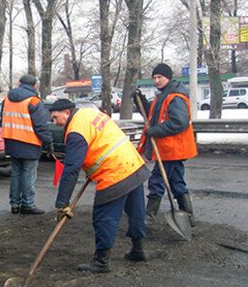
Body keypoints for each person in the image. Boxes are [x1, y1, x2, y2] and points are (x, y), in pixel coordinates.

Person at [49, 98, 151, 273]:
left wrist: (62, 203)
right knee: (136, 211)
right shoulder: (89, 113)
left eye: (55, 117)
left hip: (115, 172)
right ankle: (138, 249)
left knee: (104, 217)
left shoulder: (75, 131)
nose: (55, 123)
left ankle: (101, 261)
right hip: (133, 164)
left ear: (67, 112)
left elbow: (71, 169)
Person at [136, 63, 198, 226]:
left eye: (159, 77)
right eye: (154, 78)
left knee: (157, 181)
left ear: (168, 77)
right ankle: (189, 217)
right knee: (176, 182)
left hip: (172, 148)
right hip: (168, 149)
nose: (156, 81)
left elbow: (179, 122)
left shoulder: (175, 96)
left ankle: (148, 217)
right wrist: (140, 100)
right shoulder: (163, 95)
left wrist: (154, 131)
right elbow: (153, 114)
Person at [0, 73, 53, 215]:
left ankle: (15, 204)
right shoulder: (34, 101)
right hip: (29, 143)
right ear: (34, 85)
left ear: (19, 83)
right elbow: (40, 125)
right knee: (29, 175)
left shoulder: (7, 100)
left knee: (16, 174)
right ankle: (27, 204)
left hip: (11, 141)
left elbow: (2, 121)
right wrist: (48, 142)